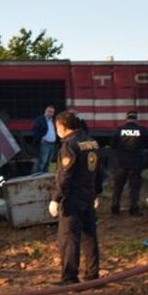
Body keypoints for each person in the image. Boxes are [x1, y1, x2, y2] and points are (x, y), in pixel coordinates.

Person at [48, 110, 101, 285]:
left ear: (62, 126)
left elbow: (65, 175)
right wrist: (96, 192)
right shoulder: (91, 141)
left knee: (69, 238)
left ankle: (70, 277)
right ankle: (92, 274)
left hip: (72, 198)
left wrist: (56, 198)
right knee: (89, 237)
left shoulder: (69, 145)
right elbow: (98, 170)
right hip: (88, 194)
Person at [110, 111, 148, 216]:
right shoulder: (142, 130)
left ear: (127, 119)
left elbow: (113, 145)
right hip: (135, 163)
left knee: (118, 186)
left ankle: (115, 206)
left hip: (121, 163)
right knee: (134, 187)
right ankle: (133, 208)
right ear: (136, 119)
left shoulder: (119, 130)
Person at [32, 105, 57, 173]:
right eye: (48, 111)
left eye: (52, 112)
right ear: (45, 111)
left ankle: (46, 176)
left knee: (49, 162)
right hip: (44, 144)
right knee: (42, 162)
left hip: (52, 144)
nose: (50, 113)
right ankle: (39, 176)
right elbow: (35, 130)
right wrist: (40, 138)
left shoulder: (53, 121)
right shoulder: (39, 119)